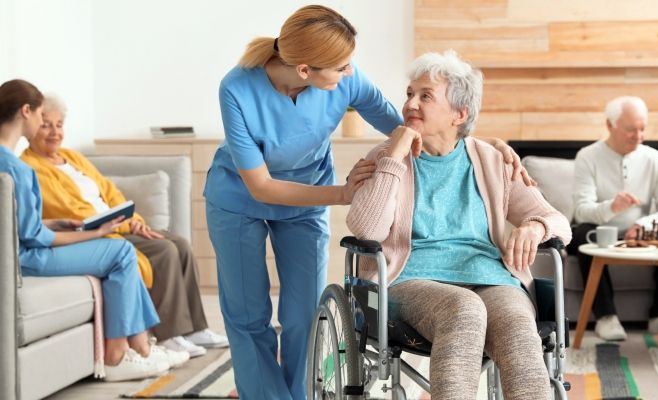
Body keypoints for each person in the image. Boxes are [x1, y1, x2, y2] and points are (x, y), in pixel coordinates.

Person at [204, 6, 533, 399]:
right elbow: (260, 186)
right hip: (240, 200)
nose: (350, 73)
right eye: (341, 67)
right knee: (247, 314)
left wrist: (479, 143)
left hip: (307, 202)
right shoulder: (237, 89)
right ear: (306, 70)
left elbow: (414, 123)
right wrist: (342, 195)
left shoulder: (346, 79)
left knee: (302, 315)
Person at [346, 50, 571, 400]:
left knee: (516, 325)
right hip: (409, 280)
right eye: (409, 93)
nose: (410, 104)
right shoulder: (386, 158)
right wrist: (395, 153)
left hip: (491, 278)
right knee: (463, 308)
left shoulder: (492, 160)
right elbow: (367, 229)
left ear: (459, 114)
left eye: (425, 96)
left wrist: (534, 228)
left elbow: (557, 220)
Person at [20, 95, 228, 359]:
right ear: (32, 127)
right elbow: (69, 211)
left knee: (181, 245)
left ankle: (196, 328)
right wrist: (121, 225)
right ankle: (170, 334)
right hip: (95, 233)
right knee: (164, 251)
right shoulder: (30, 166)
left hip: (118, 224)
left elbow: (110, 191)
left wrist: (134, 222)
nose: (54, 132)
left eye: (59, 125)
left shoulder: (72, 157)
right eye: (46, 125)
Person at [0, 79, 172, 381]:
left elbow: (14, 222)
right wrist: (94, 233)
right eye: (41, 116)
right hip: (26, 258)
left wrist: (54, 222)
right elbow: (34, 239)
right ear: (26, 112)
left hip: (19, 250)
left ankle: (141, 348)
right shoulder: (18, 168)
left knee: (121, 252)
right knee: (120, 251)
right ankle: (119, 355)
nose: (44, 124)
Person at [567, 96, 658, 341]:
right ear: (610, 126)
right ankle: (606, 317)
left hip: (638, 233)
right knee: (582, 231)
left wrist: (643, 224)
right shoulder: (588, 156)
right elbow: (582, 210)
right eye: (630, 130)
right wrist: (612, 207)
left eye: (642, 128)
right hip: (599, 231)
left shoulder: (654, 159)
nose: (638, 136)